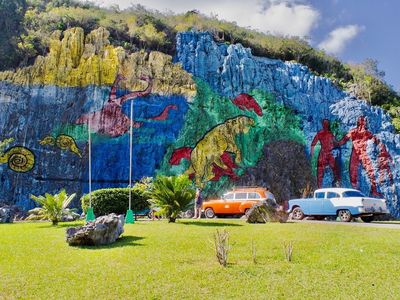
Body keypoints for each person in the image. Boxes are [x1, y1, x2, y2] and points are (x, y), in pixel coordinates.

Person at [310, 119, 341, 188]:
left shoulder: (329, 133)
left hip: (328, 153)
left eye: (327, 124)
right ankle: (320, 187)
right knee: (322, 171)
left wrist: (312, 153)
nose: (326, 125)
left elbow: (313, 144)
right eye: (325, 124)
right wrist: (312, 153)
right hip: (325, 153)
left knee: (333, 169)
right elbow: (313, 144)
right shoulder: (325, 133)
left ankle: (335, 183)